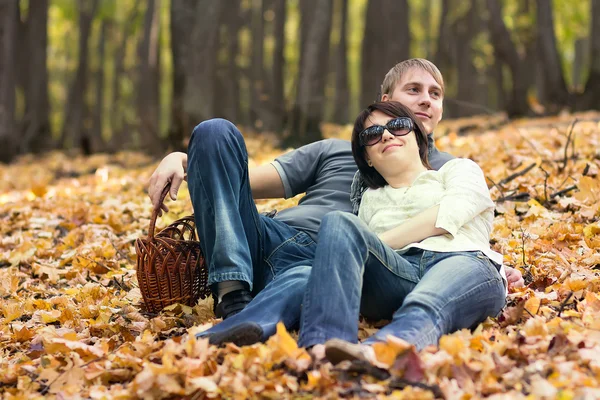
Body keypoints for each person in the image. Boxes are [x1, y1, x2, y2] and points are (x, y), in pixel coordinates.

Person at [146, 59, 523, 346]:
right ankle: (232, 293)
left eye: (435, 94)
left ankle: (259, 325)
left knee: (314, 267)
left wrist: (492, 266)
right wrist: (183, 158)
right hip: (269, 238)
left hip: (338, 266)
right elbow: (232, 177)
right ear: (386, 102)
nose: (425, 99)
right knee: (214, 132)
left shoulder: (450, 170)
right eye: (414, 90)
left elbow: (458, 228)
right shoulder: (335, 151)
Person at [297, 101, 507, 362]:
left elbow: (449, 213)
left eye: (397, 126)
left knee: (427, 299)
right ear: (367, 158)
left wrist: (376, 242)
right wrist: (367, 245)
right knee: (338, 222)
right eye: (372, 135)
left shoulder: (458, 170)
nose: (386, 134)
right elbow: (356, 250)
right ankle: (322, 346)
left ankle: (377, 352)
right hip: (397, 274)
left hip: (460, 259)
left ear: (418, 139)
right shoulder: (370, 200)